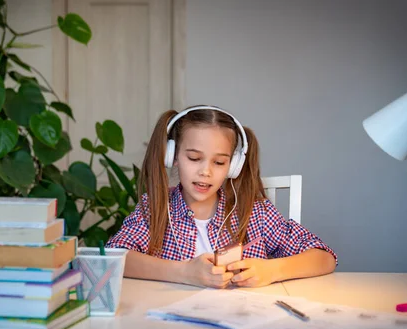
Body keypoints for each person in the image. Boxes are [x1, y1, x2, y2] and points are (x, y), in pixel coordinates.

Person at [106, 105, 336, 288]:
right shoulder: (154, 208)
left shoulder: (255, 212)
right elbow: (116, 257)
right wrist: (184, 273)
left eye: (219, 162)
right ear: (173, 157)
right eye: (194, 158)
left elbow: (324, 257)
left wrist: (273, 270)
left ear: (233, 166)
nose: (205, 171)